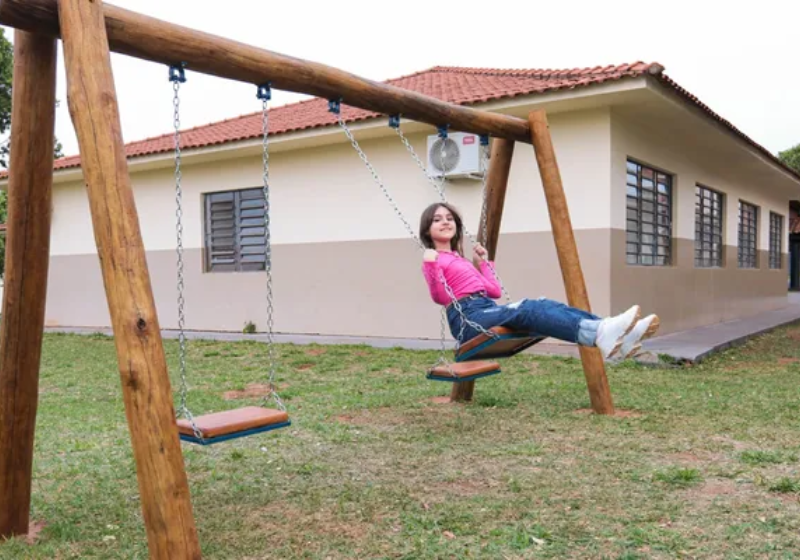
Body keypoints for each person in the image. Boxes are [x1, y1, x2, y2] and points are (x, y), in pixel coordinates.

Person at [419, 202, 659, 360]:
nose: (446, 222)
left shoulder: (459, 260)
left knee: (544, 304)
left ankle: (619, 336)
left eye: (449, 218)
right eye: (437, 219)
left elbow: (493, 291)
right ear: (428, 230)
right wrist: (430, 264)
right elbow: (440, 297)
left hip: (484, 308)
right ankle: (602, 332)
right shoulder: (434, 258)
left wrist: (484, 263)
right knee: (529, 309)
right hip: (467, 319)